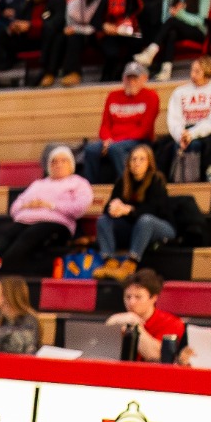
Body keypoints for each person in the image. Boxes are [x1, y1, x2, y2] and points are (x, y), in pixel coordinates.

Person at [0, 145, 93, 278]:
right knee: (10, 231)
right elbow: (15, 207)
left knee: (30, 234)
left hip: (56, 223)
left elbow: (79, 208)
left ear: (71, 164)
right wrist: (27, 206)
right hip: (27, 219)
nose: (58, 165)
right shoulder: (38, 184)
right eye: (54, 161)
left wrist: (50, 205)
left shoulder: (79, 183)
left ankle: (0, 268)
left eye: (63, 161)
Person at [96, 143, 175, 279]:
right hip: (134, 229)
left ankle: (130, 264)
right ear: (128, 162)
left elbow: (156, 210)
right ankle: (110, 262)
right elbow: (107, 210)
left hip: (162, 227)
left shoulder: (156, 180)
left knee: (145, 220)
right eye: (133, 159)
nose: (137, 163)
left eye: (141, 159)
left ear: (149, 162)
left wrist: (129, 210)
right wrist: (113, 207)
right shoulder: (122, 182)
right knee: (103, 220)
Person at [79, 62, 159, 184]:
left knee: (115, 149)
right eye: (128, 78)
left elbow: (144, 129)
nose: (131, 82)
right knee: (90, 149)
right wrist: (107, 139)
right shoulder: (113, 96)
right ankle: (91, 186)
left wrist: (113, 142)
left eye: (135, 78)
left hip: (138, 140)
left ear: (144, 79)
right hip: (112, 141)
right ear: (123, 79)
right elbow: (105, 125)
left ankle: (127, 185)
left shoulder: (151, 96)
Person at [0, 0, 65, 87]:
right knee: (0, 35)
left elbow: (56, 24)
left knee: (55, 35)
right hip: (27, 39)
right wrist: (15, 27)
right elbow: (19, 19)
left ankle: (48, 72)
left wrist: (31, 25)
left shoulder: (57, 1)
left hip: (45, 40)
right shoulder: (28, 3)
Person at [158, 55, 211, 179]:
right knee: (164, 150)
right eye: (192, 70)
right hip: (181, 133)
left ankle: (193, 181)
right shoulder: (179, 92)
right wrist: (181, 135)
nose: (192, 75)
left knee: (198, 146)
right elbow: (174, 119)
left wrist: (191, 134)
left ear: (207, 71)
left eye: (197, 71)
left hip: (206, 134)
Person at [107, 268, 188, 361]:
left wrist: (135, 325)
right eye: (128, 297)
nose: (131, 302)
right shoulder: (122, 319)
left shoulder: (172, 323)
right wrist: (113, 321)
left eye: (138, 297)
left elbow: (155, 356)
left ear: (153, 298)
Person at [154, 0, 211, 78]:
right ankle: (166, 70)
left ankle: (152, 49)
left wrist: (180, 14)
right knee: (171, 32)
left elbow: (200, 21)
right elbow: (165, 20)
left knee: (173, 22)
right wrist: (174, 13)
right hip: (177, 29)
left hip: (197, 31)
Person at [54, 0, 103, 86]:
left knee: (74, 36)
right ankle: (53, 72)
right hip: (80, 36)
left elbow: (96, 26)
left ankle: (73, 72)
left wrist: (76, 29)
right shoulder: (74, 2)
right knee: (60, 37)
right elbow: (69, 24)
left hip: (97, 36)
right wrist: (71, 29)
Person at [100, 0, 150, 81]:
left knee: (138, 43)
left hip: (126, 33)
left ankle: (122, 75)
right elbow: (95, 20)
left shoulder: (138, 2)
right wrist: (105, 26)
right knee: (113, 53)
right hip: (108, 34)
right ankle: (106, 79)